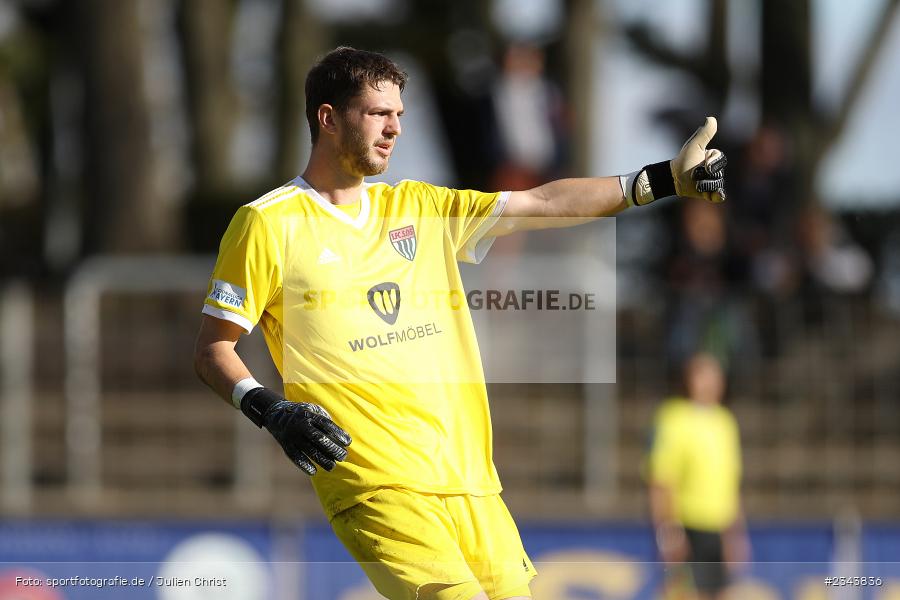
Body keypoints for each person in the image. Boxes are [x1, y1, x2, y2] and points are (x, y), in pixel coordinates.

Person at [193, 46, 727, 600]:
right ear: (328, 118)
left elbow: (541, 202)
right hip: (376, 487)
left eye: (399, 114)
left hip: (471, 484)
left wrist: (660, 180)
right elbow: (213, 349)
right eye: (378, 113)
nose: (395, 128)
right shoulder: (267, 223)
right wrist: (270, 409)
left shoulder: (420, 206)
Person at [646, 352, 750, 600]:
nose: (709, 382)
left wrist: (735, 534)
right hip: (687, 525)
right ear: (688, 380)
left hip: (717, 526)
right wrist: (669, 530)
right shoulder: (674, 418)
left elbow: (731, 485)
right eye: (702, 375)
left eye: (715, 375)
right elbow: (661, 480)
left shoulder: (725, 422)